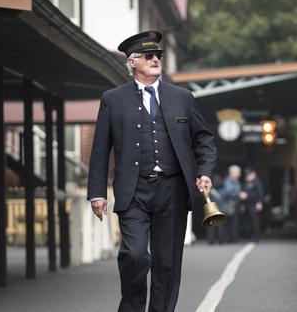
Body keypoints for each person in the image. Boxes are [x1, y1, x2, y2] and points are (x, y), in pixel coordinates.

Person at [87, 31, 216, 312]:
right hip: (133, 191)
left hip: (172, 190)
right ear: (133, 63)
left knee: (166, 263)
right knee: (134, 255)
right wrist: (97, 193)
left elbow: (204, 138)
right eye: (149, 56)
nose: (156, 59)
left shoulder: (182, 97)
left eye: (159, 55)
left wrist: (204, 171)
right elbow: (100, 150)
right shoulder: (112, 99)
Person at [241, 169, 264, 242]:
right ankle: (250, 235)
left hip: (254, 204)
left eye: (249, 175)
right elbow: (243, 192)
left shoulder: (257, 182)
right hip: (246, 204)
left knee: (254, 221)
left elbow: (260, 193)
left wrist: (259, 202)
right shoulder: (245, 183)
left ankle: (257, 236)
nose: (247, 177)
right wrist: (242, 204)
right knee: (247, 221)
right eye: (247, 175)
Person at [221, 165, 242, 242]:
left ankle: (233, 238)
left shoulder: (236, 181)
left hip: (234, 204)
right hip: (229, 204)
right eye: (238, 173)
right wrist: (238, 194)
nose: (239, 175)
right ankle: (228, 238)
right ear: (232, 173)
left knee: (234, 222)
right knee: (229, 222)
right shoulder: (228, 181)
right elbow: (227, 192)